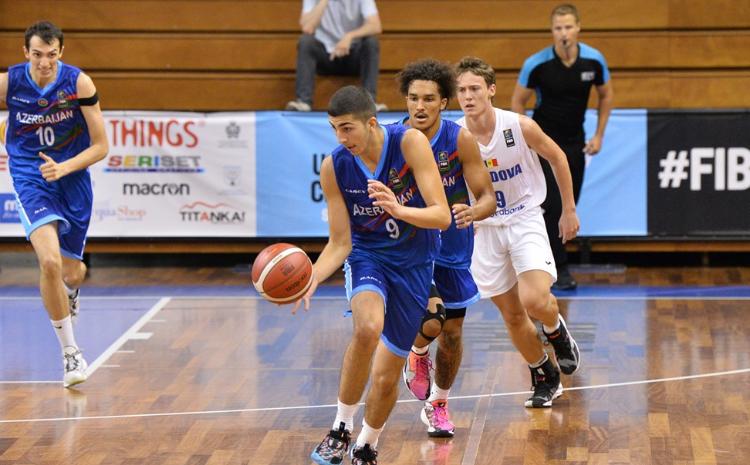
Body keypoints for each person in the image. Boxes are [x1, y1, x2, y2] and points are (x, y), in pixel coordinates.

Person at [294, 86, 450, 465]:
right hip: (368, 256)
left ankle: (367, 444)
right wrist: (313, 276)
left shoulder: (409, 143)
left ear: (371, 123)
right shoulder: (334, 166)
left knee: (386, 374)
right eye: (334, 128)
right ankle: (340, 429)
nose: (340, 138)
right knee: (367, 328)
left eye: (347, 128)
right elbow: (340, 242)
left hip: (414, 264)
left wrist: (399, 209)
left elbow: (441, 215)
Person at [455, 56, 581, 408]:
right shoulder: (455, 135)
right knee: (511, 315)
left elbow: (558, 157)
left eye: (475, 89)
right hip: (484, 228)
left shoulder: (518, 126)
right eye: (462, 90)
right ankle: (544, 375)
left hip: (524, 217)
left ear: (491, 90)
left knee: (535, 300)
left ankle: (555, 329)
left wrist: (569, 209)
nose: (468, 96)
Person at [0, 21, 108, 387]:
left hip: (71, 177)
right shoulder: (10, 83)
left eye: (51, 55)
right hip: (31, 178)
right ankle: (71, 353)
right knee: (49, 262)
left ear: (60, 52)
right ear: (25, 53)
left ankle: (71, 293)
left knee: (72, 273)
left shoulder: (79, 83)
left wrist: (65, 167)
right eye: (37, 55)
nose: (44, 62)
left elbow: (101, 146)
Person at [395, 59, 495, 438]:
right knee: (432, 320)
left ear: (443, 103)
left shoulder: (459, 140)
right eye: (413, 98)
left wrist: (474, 210)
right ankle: (418, 352)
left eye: (428, 99)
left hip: (454, 250)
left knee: (451, 334)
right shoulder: (393, 140)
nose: (420, 106)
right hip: (411, 249)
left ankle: (438, 403)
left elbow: (488, 197)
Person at [510, 3, 613, 290]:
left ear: (578, 27)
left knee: (570, 204)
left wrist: (599, 135)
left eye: (568, 27)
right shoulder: (536, 64)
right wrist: (527, 140)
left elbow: (606, 96)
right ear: (552, 31)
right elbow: (518, 102)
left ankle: (550, 262)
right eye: (558, 28)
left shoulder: (593, 61)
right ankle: (558, 268)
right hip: (544, 146)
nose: (563, 33)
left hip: (574, 144)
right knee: (553, 205)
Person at [285, 0, 387, 112]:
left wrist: (349, 36)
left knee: (371, 43)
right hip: (325, 57)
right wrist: (323, 2)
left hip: (353, 56)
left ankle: (369, 102)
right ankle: (303, 101)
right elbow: (307, 28)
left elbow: (375, 26)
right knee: (306, 42)